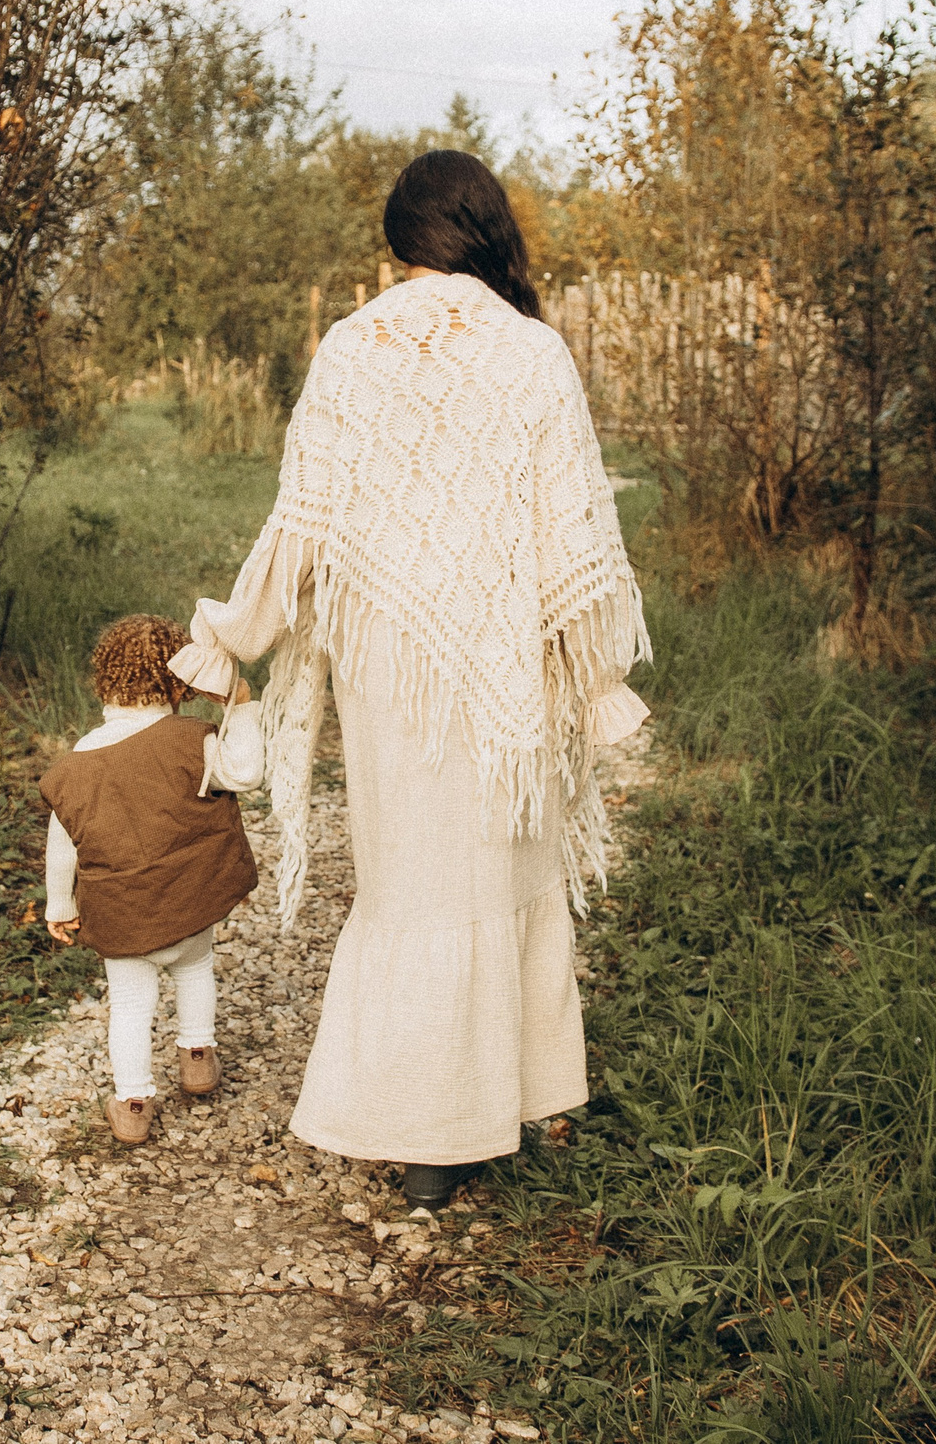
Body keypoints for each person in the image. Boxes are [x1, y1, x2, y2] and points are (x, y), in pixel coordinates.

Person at [168, 150, 650, 1210]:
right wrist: (594, 675)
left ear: (399, 239)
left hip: (390, 661)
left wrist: (233, 633)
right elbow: (568, 529)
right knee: (492, 874)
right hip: (504, 657)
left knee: (413, 881)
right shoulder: (532, 350)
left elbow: (305, 523)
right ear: (485, 230)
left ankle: (440, 1126)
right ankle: (472, 1117)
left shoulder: (351, 345)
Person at [41, 613, 267, 1145]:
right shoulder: (194, 739)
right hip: (190, 906)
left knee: (130, 1006)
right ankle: (196, 1058)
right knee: (196, 971)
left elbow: (62, 846)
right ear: (181, 681)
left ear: (104, 680)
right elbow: (246, 774)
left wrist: (59, 905)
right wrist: (242, 705)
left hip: (123, 917)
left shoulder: (77, 762)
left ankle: (134, 1101)